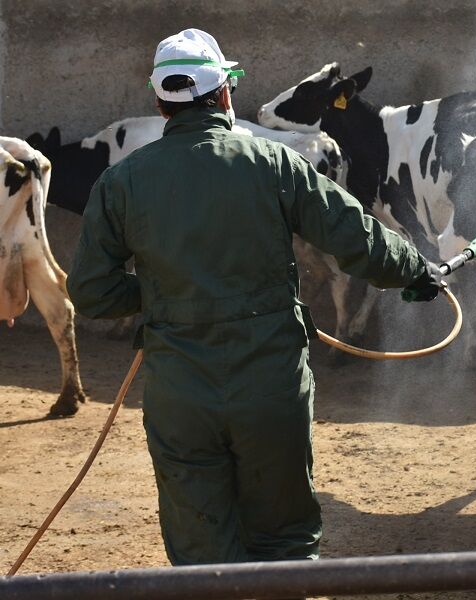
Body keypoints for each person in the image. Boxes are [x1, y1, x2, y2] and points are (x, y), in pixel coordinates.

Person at [66, 28, 443, 566]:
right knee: (283, 544)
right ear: (224, 94)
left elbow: (92, 293)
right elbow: (356, 239)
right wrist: (415, 270)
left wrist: (163, 292)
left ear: (159, 101)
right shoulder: (274, 164)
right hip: (270, 387)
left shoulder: (121, 182)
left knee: (200, 552)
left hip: (180, 395)